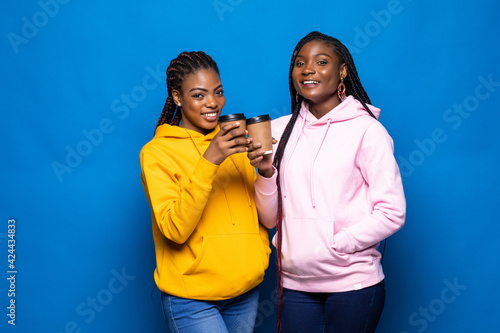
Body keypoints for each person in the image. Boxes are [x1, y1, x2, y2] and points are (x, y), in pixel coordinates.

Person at [248, 31, 406, 332]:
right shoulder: (278, 131)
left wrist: (337, 244)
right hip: (295, 285)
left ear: (342, 70)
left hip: (354, 284)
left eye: (321, 62)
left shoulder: (367, 131)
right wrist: (265, 171)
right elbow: (269, 219)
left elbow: (392, 211)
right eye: (299, 63)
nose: (308, 69)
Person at [140, 51, 271, 333]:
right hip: (192, 298)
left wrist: (265, 171)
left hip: (245, 291)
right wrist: (210, 160)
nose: (213, 103)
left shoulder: (236, 142)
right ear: (177, 97)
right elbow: (175, 230)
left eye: (218, 92)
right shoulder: (157, 153)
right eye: (199, 95)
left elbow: (262, 216)